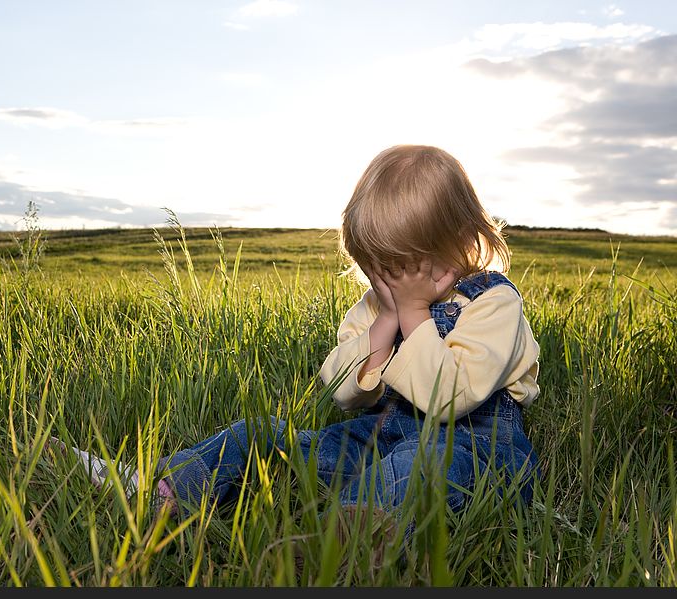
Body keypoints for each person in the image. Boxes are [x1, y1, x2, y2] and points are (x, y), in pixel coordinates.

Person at [54, 145, 542, 523]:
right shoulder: (379, 307)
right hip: (379, 441)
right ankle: (161, 489)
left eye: (404, 267)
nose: (390, 283)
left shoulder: (493, 303)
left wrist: (414, 315)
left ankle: (346, 537)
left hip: (479, 454)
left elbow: (453, 397)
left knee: (422, 465)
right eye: (377, 269)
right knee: (260, 436)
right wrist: (386, 324)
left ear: (458, 240)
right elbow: (342, 392)